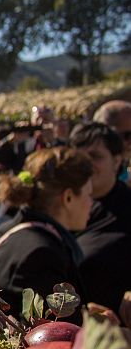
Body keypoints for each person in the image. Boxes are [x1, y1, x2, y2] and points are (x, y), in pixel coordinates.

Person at [0, 147, 94, 320]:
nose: (92, 203)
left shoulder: (9, 230)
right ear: (68, 197)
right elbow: (57, 330)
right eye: (89, 194)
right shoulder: (43, 254)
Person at [70, 122, 131, 315]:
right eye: (80, 156)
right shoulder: (57, 207)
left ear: (117, 160)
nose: (86, 163)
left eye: (95, 156)